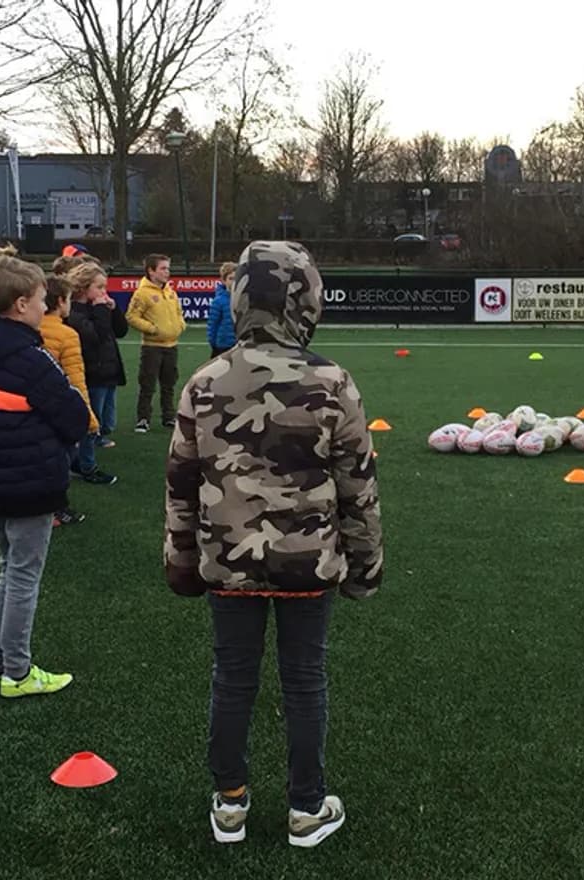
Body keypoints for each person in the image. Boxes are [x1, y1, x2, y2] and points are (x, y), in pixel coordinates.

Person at [164, 241, 383, 848]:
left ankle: (230, 802)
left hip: (227, 561)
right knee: (304, 679)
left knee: (232, 678)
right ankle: (306, 807)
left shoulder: (204, 381)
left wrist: (182, 561)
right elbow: (357, 486)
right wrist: (365, 566)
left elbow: (181, 484)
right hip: (307, 562)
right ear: (305, 299)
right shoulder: (332, 381)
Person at [0, 257, 85, 699]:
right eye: (40, 299)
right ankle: (17, 671)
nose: (46, 305)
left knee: (8, 572)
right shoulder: (31, 359)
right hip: (29, 481)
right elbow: (73, 415)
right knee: (23, 577)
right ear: (19, 304)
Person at [40, 275, 112, 493]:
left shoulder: (29, 327)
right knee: (59, 456)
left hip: (33, 405)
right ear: (61, 301)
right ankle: (56, 503)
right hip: (60, 404)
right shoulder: (66, 334)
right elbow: (75, 378)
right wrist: (89, 417)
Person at [65, 261, 126, 454]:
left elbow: (120, 331)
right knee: (93, 414)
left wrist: (114, 310)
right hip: (93, 371)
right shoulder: (75, 312)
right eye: (99, 287)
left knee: (109, 419)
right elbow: (94, 337)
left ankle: (98, 436)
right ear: (83, 287)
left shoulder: (99, 307)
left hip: (109, 369)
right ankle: (86, 446)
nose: (103, 291)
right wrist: (100, 310)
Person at [126, 253, 185, 433]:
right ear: (151, 271)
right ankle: (143, 419)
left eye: (168, 268)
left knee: (169, 384)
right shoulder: (142, 293)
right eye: (163, 268)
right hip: (152, 347)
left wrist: (181, 325)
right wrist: (152, 329)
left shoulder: (171, 292)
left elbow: (178, 313)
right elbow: (131, 316)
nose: (167, 272)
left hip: (171, 346)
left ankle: (168, 416)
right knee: (148, 384)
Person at [207, 261, 237, 357]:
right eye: (230, 278)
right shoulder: (219, 301)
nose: (233, 282)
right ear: (224, 281)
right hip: (222, 346)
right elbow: (212, 325)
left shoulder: (243, 299)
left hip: (238, 345)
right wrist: (213, 344)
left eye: (236, 278)